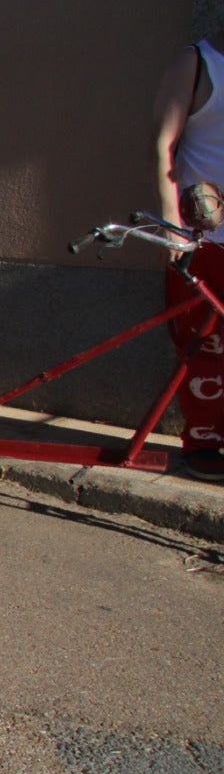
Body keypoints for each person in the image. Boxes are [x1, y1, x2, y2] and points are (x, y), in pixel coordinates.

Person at [154, 27, 224, 481]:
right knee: (205, 348)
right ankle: (204, 445)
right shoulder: (197, 63)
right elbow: (164, 143)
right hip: (205, 241)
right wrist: (171, 228)